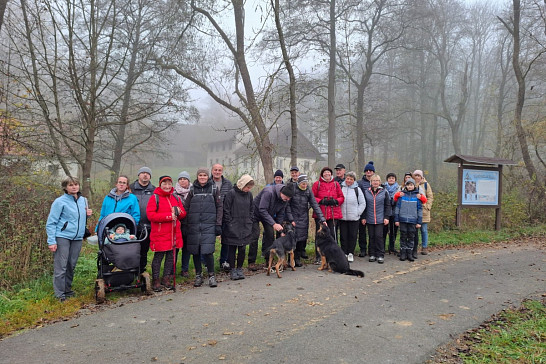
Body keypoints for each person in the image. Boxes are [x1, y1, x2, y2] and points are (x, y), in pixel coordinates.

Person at [46, 176, 92, 302]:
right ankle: (60, 295)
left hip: (77, 237)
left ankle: (68, 290)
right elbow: (51, 222)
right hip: (62, 237)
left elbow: (80, 220)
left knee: (71, 265)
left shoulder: (84, 200)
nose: (74, 187)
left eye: (76, 184)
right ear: (65, 187)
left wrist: (87, 215)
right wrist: (51, 241)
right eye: (71, 185)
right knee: (61, 266)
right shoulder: (60, 202)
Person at [184, 168, 223, 288]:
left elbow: (219, 207)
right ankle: (198, 275)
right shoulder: (192, 190)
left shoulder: (214, 189)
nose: (202, 177)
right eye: (200, 175)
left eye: (205, 175)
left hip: (209, 225)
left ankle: (211, 276)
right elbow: (186, 207)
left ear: (208, 176)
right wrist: (185, 224)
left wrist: (218, 224)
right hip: (194, 225)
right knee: (195, 251)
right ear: (197, 176)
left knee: (208, 251)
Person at [146, 176, 186, 291]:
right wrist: (168, 216)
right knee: (158, 257)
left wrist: (179, 212)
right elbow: (151, 215)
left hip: (174, 233)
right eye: (164, 184)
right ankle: (156, 280)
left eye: (169, 184)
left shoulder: (175, 197)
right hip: (160, 234)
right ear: (160, 185)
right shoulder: (155, 198)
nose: (167, 186)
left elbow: (183, 214)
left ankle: (166, 278)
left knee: (171, 257)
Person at [248, 184, 294, 271]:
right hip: (255, 213)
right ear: (281, 192)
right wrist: (273, 224)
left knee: (270, 235)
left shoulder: (285, 200)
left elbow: (280, 214)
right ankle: (251, 262)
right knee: (255, 235)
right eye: (287, 197)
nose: (287, 200)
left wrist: (281, 230)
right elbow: (262, 209)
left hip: (268, 215)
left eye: (289, 198)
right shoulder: (268, 192)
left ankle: (268, 260)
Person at [222, 175, 255, 280]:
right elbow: (226, 209)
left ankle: (239, 268)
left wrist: (249, 220)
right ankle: (232, 269)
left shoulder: (249, 195)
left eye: (250, 188)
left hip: (245, 225)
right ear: (242, 184)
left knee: (242, 248)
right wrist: (230, 223)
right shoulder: (231, 193)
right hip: (233, 225)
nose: (248, 189)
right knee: (232, 248)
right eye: (247, 187)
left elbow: (251, 209)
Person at [289, 174, 325, 267]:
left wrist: (322, 218)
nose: (304, 186)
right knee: (293, 238)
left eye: (306, 184)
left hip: (303, 216)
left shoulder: (308, 190)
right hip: (293, 216)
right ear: (298, 183)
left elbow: (314, 204)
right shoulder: (293, 189)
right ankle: (291, 259)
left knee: (302, 238)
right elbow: (287, 205)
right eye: (303, 184)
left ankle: (297, 258)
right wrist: (290, 218)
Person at [312, 166, 344, 263]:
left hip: (333, 214)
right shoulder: (317, 184)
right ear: (322, 174)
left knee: (332, 235)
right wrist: (321, 201)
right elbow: (312, 197)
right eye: (325, 173)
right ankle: (319, 256)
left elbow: (341, 197)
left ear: (331, 174)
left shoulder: (336, 184)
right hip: (320, 214)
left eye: (328, 173)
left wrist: (336, 201)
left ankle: (333, 255)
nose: (327, 174)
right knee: (319, 236)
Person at [129, 167, 155, 273]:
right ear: (138, 175)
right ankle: (129, 272)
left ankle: (141, 272)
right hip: (131, 226)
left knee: (144, 251)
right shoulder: (130, 189)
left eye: (147, 173)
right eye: (143, 173)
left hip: (148, 226)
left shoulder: (154, 190)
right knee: (131, 251)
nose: (145, 175)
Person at [362, 174, 391, 264]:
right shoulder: (366, 192)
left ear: (380, 182)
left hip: (380, 219)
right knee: (371, 237)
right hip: (369, 218)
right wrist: (363, 217)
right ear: (371, 182)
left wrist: (386, 217)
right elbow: (364, 205)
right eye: (373, 180)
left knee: (379, 236)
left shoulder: (384, 192)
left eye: (377, 180)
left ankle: (380, 255)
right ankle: (372, 254)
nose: (375, 182)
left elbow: (388, 205)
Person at [211, 164, 234, 272]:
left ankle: (224, 261)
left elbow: (231, 199)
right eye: (215, 170)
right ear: (212, 171)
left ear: (222, 171)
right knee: (209, 240)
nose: (217, 172)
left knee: (226, 240)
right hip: (210, 216)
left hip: (225, 216)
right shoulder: (207, 183)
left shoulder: (228, 184)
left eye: (219, 170)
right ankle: (206, 262)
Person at [339, 171, 366, 262]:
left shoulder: (357, 189)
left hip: (354, 218)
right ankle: (344, 253)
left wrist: (357, 213)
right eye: (347, 178)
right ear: (345, 179)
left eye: (351, 179)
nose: (349, 180)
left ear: (354, 180)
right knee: (343, 236)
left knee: (352, 236)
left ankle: (350, 253)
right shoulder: (341, 187)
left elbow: (362, 203)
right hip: (342, 217)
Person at [394, 178, 422, 262]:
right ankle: (403, 253)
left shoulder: (417, 196)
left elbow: (420, 210)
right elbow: (397, 208)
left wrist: (419, 221)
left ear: (414, 186)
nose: (410, 187)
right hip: (402, 220)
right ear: (405, 186)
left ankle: (409, 253)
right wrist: (396, 219)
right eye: (408, 185)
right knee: (403, 236)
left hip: (413, 220)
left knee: (411, 237)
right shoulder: (402, 196)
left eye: (411, 185)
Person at [173, 171, 191, 278]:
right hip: (177, 224)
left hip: (189, 224)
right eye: (180, 179)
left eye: (185, 179)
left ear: (188, 180)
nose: (182, 180)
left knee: (187, 249)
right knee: (175, 248)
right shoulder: (173, 193)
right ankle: (171, 270)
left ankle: (185, 269)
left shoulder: (193, 192)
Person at [412, 169, 434, 257]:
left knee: (424, 230)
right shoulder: (411, 184)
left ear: (421, 176)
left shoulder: (425, 184)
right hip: (413, 211)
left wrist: (427, 206)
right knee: (414, 231)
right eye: (415, 175)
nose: (417, 177)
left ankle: (424, 247)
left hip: (424, 211)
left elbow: (430, 197)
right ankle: (414, 247)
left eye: (418, 175)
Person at [357, 161, 375, 257]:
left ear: (373, 172)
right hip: (363, 210)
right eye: (367, 170)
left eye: (370, 170)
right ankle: (363, 249)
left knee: (372, 232)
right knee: (362, 232)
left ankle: (372, 250)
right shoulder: (359, 183)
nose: (368, 172)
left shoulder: (377, 182)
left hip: (374, 211)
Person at [383, 172, 400, 255]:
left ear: (395, 179)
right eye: (389, 178)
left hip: (395, 212)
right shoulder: (383, 187)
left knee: (394, 231)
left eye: (393, 178)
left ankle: (392, 247)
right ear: (387, 179)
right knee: (384, 230)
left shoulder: (398, 188)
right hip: (385, 212)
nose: (391, 179)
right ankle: (382, 247)